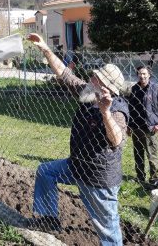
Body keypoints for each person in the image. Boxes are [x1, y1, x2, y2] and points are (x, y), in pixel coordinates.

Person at [27, 33, 129, 246]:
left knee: (108, 230)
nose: (90, 79)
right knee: (45, 172)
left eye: (95, 78)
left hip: (98, 179)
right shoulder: (89, 93)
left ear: (106, 87)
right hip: (77, 167)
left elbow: (117, 140)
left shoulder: (117, 110)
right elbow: (64, 73)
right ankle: (49, 219)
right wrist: (45, 48)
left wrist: (105, 113)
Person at [128, 66, 158, 188]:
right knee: (138, 154)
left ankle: (154, 178)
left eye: (144, 74)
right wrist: (129, 126)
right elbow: (130, 109)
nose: (142, 76)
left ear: (149, 75)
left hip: (151, 128)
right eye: (139, 74)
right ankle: (140, 177)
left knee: (152, 155)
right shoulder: (134, 89)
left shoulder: (156, 89)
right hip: (136, 128)